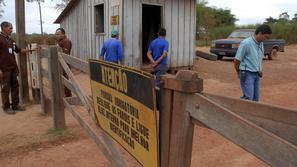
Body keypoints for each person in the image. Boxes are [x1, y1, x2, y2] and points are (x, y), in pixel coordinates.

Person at [234, 24, 272, 101]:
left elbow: (259, 58)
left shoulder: (260, 44)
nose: (266, 39)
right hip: (247, 73)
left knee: (256, 98)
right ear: (260, 33)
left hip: (256, 74)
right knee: (248, 98)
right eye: (265, 36)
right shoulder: (246, 43)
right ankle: (240, 110)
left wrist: (260, 69)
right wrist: (238, 72)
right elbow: (237, 60)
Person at [0, 21, 29, 114]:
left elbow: (18, 50)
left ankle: (15, 105)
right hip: (4, 69)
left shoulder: (10, 40)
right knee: (5, 88)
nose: (12, 30)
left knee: (15, 86)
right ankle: (6, 107)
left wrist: (29, 50)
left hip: (13, 68)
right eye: (10, 28)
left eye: (12, 28)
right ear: (4, 28)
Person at [55, 28, 72, 97]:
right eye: (56, 34)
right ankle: (65, 95)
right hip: (61, 64)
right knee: (62, 80)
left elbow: (65, 54)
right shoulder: (60, 41)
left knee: (65, 80)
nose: (56, 36)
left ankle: (68, 96)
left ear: (63, 34)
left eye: (58, 34)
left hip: (65, 64)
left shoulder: (66, 41)